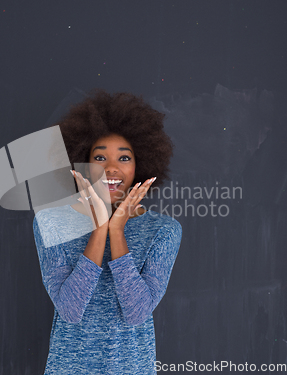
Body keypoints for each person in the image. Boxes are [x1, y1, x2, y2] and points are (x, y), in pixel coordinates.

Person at [32, 88, 182, 374]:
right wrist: (100, 229)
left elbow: (136, 313)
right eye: (100, 158)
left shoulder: (163, 231)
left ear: (141, 165)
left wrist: (117, 231)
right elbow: (71, 311)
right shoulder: (50, 222)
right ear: (83, 164)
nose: (112, 169)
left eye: (124, 158)